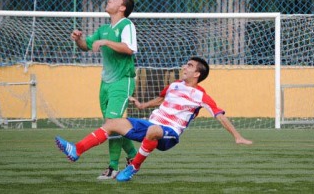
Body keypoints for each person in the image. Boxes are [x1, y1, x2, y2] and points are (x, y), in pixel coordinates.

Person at [55, 56, 253, 182]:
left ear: (197, 74)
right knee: (112, 123)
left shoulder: (201, 95)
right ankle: (76, 150)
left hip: (169, 134)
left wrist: (237, 136)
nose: (185, 66)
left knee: (153, 131)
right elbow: (160, 99)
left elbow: (219, 115)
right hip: (151, 123)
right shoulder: (174, 85)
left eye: (190, 66)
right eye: (186, 63)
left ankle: (134, 166)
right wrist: (141, 105)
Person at [70, 0, 138, 180]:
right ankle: (133, 157)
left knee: (112, 124)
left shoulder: (126, 25)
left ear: (123, 8)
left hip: (122, 81)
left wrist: (107, 42)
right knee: (113, 126)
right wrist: (78, 39)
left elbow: (129, 48)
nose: (110, 0)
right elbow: (86, 46)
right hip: (106, 83)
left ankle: (112, 168)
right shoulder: (103, 29)